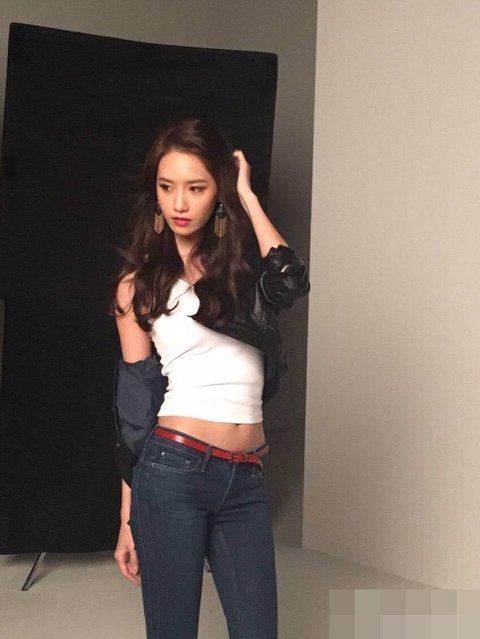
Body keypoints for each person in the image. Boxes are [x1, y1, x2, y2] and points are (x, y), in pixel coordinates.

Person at [113, 118, 309, 639]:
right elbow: (134, 404)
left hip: (245, 478)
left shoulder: (244, 274)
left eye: (196, 188)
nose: (179, 203)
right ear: (155, 193)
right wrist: (128, 514)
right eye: (167, 187)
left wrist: (247, 195)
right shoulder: (137, 286)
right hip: (172, 472)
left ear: (217, 192)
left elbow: (291, 282)